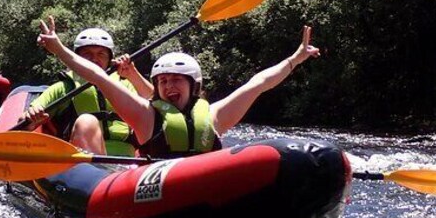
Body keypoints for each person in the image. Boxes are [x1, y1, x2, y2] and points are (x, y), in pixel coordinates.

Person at [36, 16, 321, 158]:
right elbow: (96, 76)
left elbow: (258, 83)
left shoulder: (213, 117)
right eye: (162, 81)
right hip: (148, 187)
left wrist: (295, 60)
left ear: (194, 86)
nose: (168, 86)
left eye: (176, 80)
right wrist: (59, 48)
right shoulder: (146, 116)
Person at [21, 27, 153, 156]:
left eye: (101, 54)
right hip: (84, 162)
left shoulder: (125, 84)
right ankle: (98, 170)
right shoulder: (64, 87)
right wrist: (31, 116)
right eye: (87, 54)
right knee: (87, 121)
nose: (94, 59)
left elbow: (158, 105)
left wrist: (133, 74)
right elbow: (24, 122)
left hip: (128, 163)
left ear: (110, 59)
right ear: (76, 58)